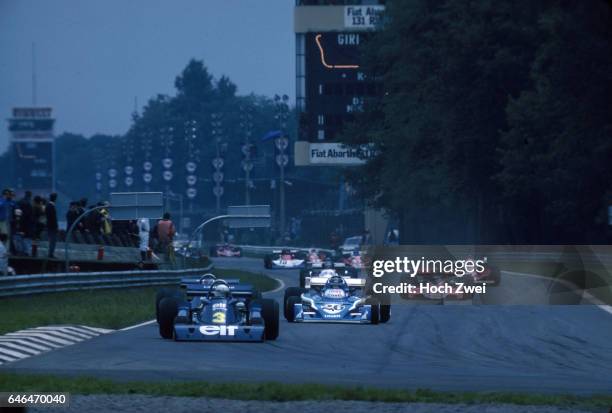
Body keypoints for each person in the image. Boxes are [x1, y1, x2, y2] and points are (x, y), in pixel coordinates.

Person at [46, 193, 58, 259]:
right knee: (52, 241)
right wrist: (56, 226)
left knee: (52, 240)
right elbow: (53, 218)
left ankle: (51, 253)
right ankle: (51, 254)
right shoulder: (51, 206)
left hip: (50, 226)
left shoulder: (48, 206)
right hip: (52, 226)